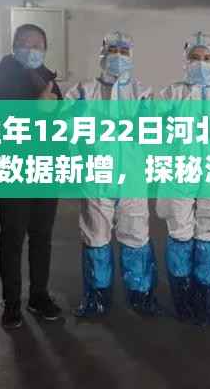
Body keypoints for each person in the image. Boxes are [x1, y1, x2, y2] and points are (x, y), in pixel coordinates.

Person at [66, 30, 160, 317]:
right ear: (102, 54)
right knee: (96, 238)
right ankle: (97, 299)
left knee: (136, 237)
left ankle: (140, 295)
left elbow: (153, 135)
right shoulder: (82, 91)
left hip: (133, 178)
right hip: (96, 177)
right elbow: (67, 130)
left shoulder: (143, 92)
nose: (118, 57)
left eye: (124, 52)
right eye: (113, 51)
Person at [156, 32, 210, 326]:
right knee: (179, 233)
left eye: (206, 58)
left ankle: (204, 301)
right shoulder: (170, 94)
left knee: (209, 234)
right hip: (178, 171)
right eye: (194, 57)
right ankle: (182, 301)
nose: (200, 63)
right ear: (185, 60)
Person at [0, 23, 62, 329]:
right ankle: (11, 303)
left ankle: (39, 295)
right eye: (25, 43)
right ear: (14, 46)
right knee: (13, 237)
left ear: (45, 49)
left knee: (42, 237)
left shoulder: (49, 80)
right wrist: (37, 107)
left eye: (37, 45)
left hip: (46, 169)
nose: (32, 50)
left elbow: (59, 122)